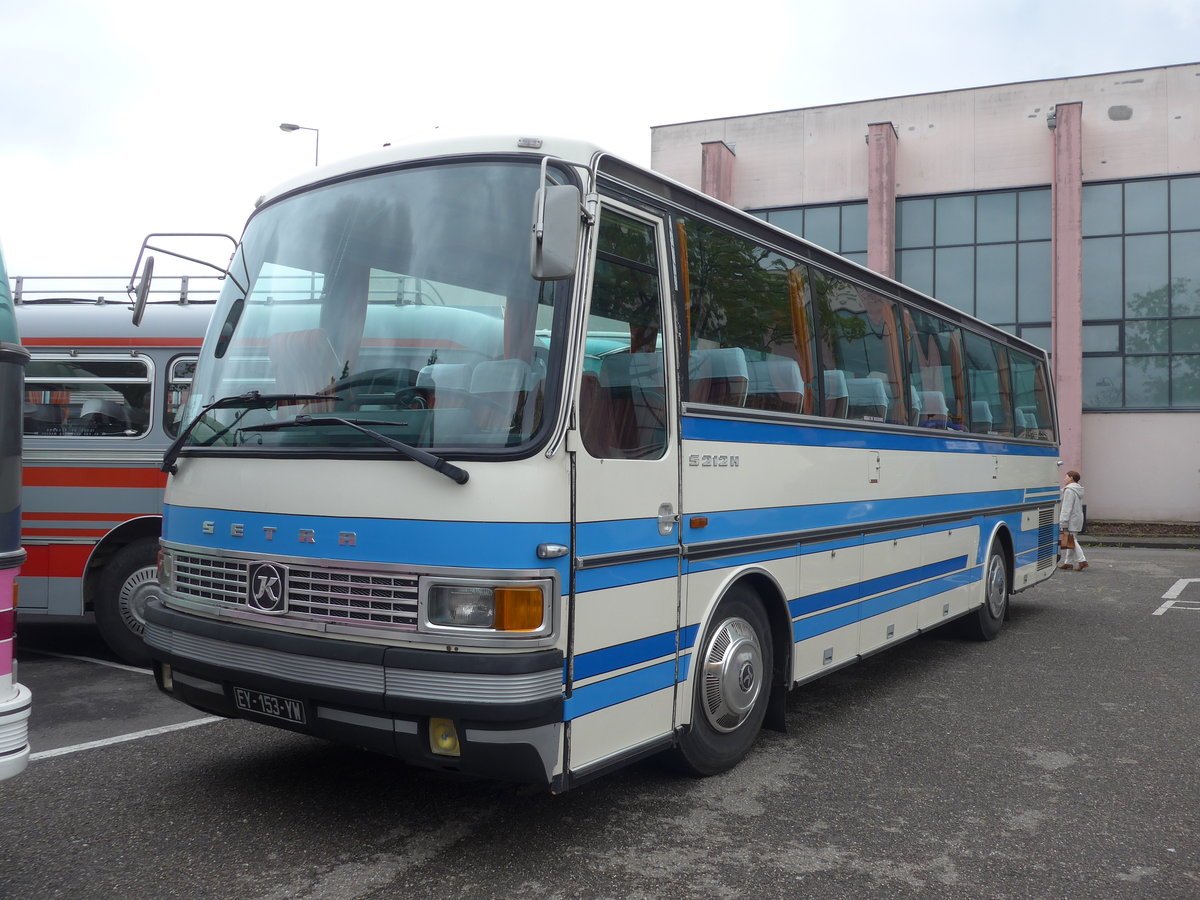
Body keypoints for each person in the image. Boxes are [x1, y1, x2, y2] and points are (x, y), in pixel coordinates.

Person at [1059, 469, 1088, 571]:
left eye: (1066, 477)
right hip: (1077, 517)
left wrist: (1063, 522)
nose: (1064, 479)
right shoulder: (1078, 489)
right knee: (1071, 539)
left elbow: (1066, 508)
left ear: (1071, 478)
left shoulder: (1069, 490)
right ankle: (1068, 562)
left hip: (1071, 519)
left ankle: (1082, 560)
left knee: (1072, 540)